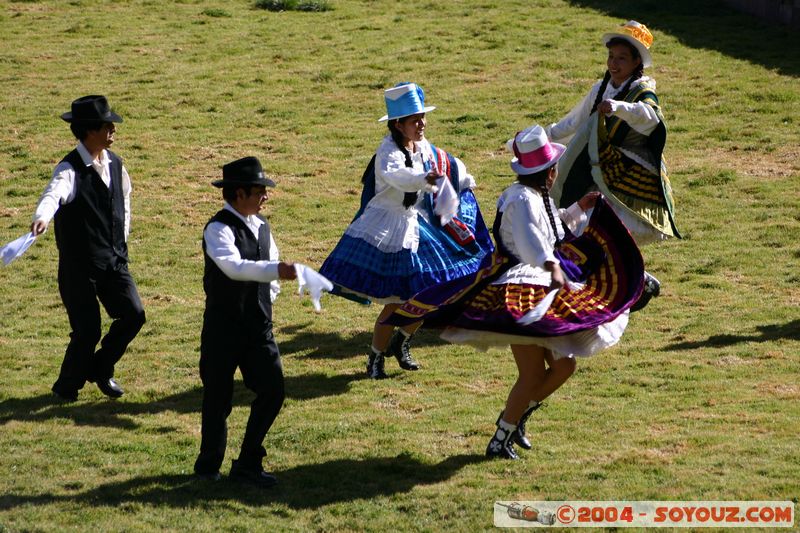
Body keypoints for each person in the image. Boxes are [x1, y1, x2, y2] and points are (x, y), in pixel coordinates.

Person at [387, 126, 645, 459]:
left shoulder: (537, 197)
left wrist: (580, 207)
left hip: (538, 280)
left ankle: (517, 417)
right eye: (553, 169)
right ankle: (501, 438)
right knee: (533, 372)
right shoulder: (520, 199)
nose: (555, 173)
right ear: (548, 172)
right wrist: (550, 265)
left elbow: (552, 230)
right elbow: (530, 241)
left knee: (564, 367)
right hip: (519, 289)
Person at [319, 82, 493, 379]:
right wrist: (426, 177)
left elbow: (445, 162)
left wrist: (464, 180)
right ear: (398, 124)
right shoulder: (387, 152)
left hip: (418, 225)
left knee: (432, 292)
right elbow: (400, 177)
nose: (421, 123)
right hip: (389, 229)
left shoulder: (422, 146)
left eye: (422, 117)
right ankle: (375, 357)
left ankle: (401, 341)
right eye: (415, 120)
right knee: (398, 301)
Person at [545, 20, 679, 310]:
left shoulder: (642, 91)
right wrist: (546, 136)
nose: (614, 64)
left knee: (612, 228)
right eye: (611, 57)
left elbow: (650, 119)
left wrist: (619, 107)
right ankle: (625, 283)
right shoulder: (601, 87)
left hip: (631, 174)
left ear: (635, 63)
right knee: (584, 224)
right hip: (599, 169)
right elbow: (577, 120)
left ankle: (634, 282)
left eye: (621, 58)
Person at [30, 95, 146, 402]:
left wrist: (121, 241)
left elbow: (125, 204)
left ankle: (100, 368)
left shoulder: (117, 165)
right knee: (87, 330)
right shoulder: (68, 169)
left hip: (114, 260)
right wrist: (41, 219)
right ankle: (66, 387)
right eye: (107, 126)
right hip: (79, 267)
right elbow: (53, 195)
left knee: (134, 314)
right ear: (88, 131)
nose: (113, 131)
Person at [193, 156, 297, 487]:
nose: (265, 196)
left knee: (273, 391)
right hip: (223, 330)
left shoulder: (263, 227)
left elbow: (272, 271)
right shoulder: (218, 228)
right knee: (217, 401)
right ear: (239, 194)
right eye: (259, 191)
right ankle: (208, 467)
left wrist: (270, 295)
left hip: (258, 329)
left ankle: (249, 461)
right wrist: (275, 271)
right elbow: (234, 267)